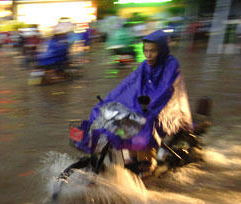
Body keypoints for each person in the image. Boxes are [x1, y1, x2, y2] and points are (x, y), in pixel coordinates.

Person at [81, 30, 192, 175]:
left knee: (145, 123)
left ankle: (147, 162)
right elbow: (127, 86)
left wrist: (149, 108)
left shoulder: (171, 65)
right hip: (145, 106)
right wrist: (107, 101)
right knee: (114, 117)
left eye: (153, 51)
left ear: (162, 50)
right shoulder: (145, 66)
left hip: (168, 109)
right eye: (145, 50)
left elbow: (165, 90)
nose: (148, 55)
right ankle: (131, 157)